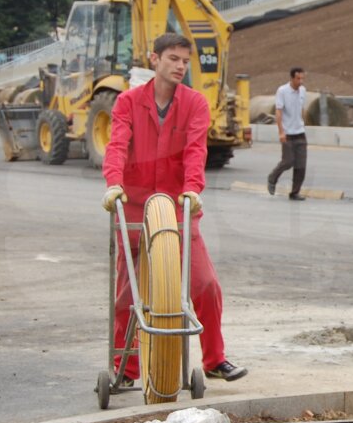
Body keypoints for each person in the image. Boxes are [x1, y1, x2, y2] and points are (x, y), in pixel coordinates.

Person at [102, 33, 248, 384]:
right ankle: (127, 369)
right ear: (155, 59)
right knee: (127, 295)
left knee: (205, 284)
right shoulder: (128, 102)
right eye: (173, 59)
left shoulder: (195, 103)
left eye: (185, 60)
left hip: (179, 208)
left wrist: (192, 191)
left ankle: (214, 359)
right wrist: (113, 184)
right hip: (134, 207)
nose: (180, 66)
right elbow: (117, 144)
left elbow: (196, 150)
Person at [267, 66, 307, 200]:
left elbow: (301, 108)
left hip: (300, 133)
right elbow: (279, 112)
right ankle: (272, 178)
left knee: (301, 166)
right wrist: (281, 132)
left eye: (302, 78)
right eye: (298, 78)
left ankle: (295, 192)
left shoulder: (303, 91)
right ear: (291, 78)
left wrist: (302, 122)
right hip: (288, 133)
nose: (300, 81)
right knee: (288, 161)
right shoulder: (282, 91)